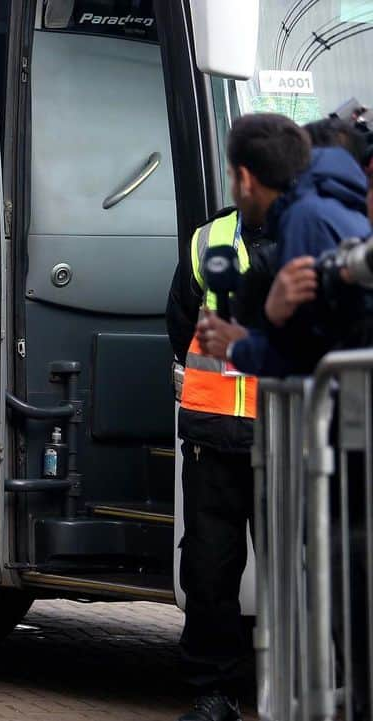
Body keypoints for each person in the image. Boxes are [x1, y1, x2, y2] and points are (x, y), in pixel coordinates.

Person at [167, 197, 273, 721]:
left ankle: (313, 690)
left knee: (303, 575)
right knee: (209, 573)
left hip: (288, 442)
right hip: (214, 437)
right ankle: (215, 694)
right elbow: (178, 327)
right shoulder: (208, 239)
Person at [196, 115, 371, 374]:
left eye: (231, 176)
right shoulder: (331, 206)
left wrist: (237, 346)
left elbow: (308, 353)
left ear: (245, 180)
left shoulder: (304, 217)